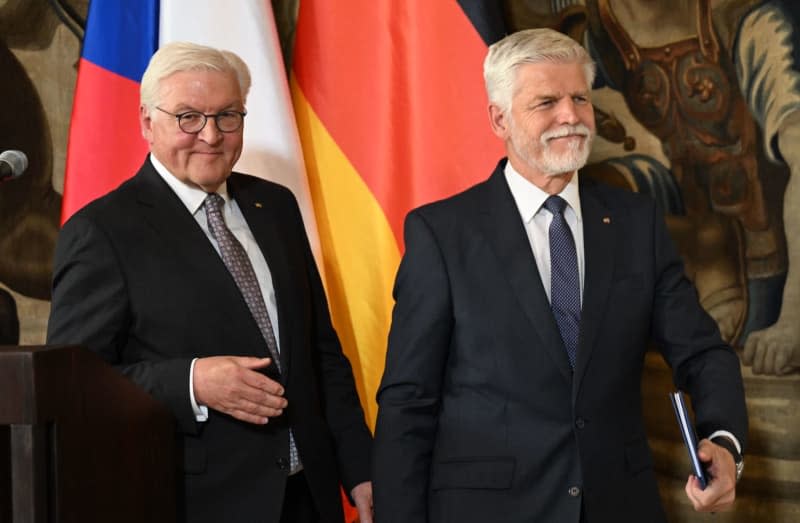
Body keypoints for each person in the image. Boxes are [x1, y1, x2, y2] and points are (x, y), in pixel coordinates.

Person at [372, 28, 747, 523]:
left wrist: (724, 441)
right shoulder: (442, 234)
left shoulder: (635, 222)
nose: (570, 115)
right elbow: (408, 401)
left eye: (579, 98)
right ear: (499, 119)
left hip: (619, 505)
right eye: (546, 102)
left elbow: (701, 352)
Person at [47, 42, 373, 523]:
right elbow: (74, 383)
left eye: (227, 116)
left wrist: (361, 469)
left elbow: (320, 351)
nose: (211, 135)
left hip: (310, 494)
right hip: (197, 501)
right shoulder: (102, 232)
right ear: (146, 122)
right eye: (188, 117)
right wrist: (190, 381)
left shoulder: (276, 205)